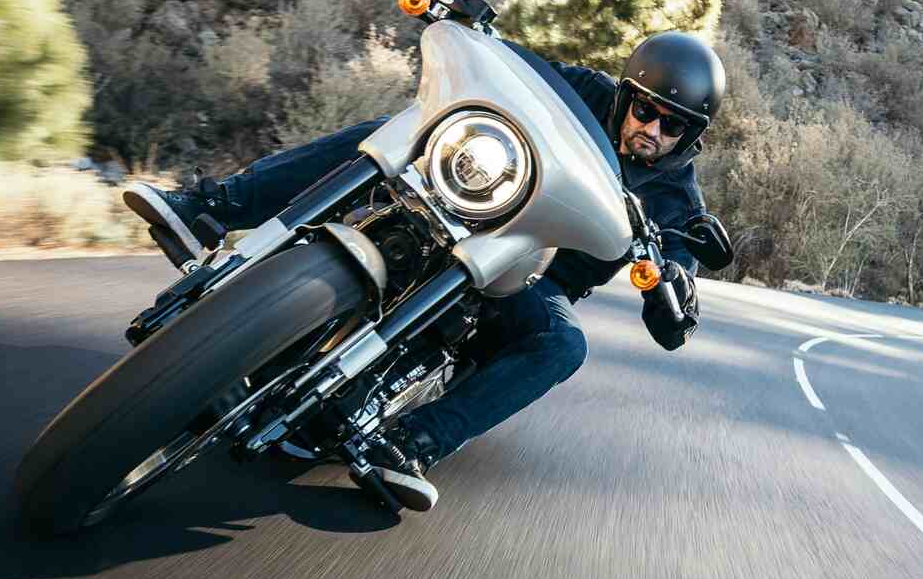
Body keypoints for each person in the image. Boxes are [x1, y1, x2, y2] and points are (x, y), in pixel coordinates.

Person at [122, 30, 724, 484]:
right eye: (645, 108)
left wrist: (673, 285)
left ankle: (417, 443)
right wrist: (468, 24)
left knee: (564, 346)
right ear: (627, 95)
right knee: (400, 128)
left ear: (689, 136)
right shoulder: (588, 92)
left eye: (672, 124)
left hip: (528, 281)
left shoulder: (678, 201)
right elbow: (516, 70)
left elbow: (675, 300)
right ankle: (214, 207)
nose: (652, 128)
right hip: (469, 206)